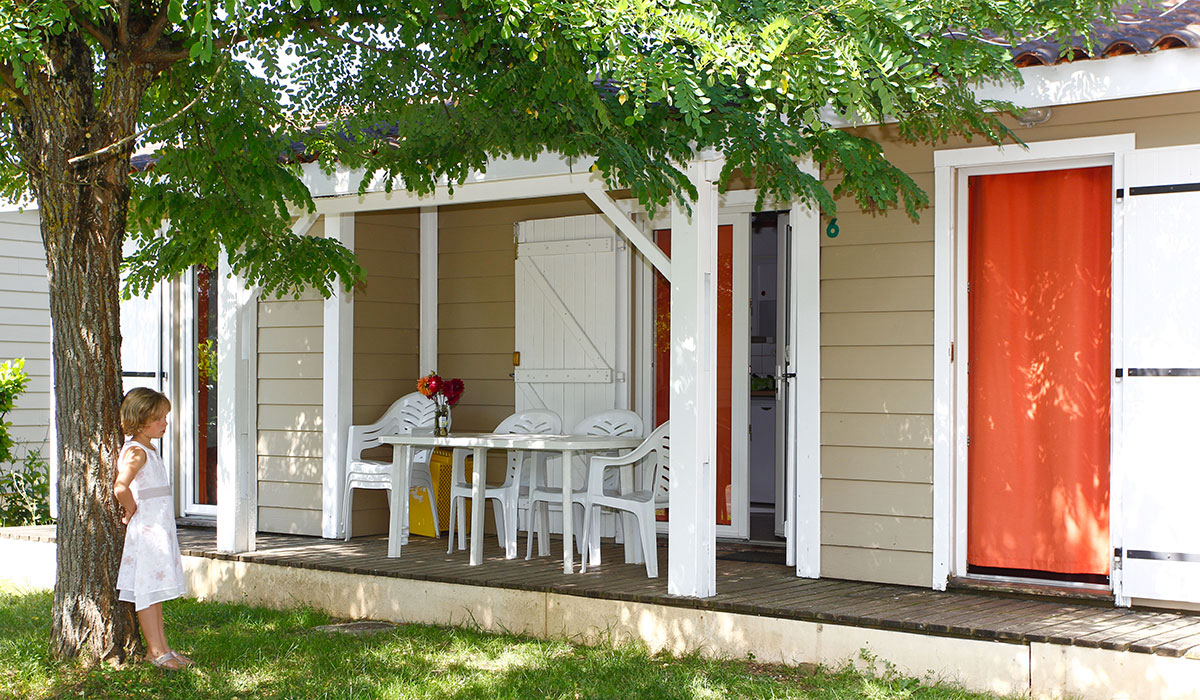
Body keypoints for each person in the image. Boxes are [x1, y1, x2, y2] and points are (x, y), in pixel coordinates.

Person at [113, 387, 193, 671]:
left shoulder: (148, 449)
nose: (165, 423)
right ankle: (155, 652)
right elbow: (121, 487)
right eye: (158, 418)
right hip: (147, 531)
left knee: (155, 591)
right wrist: (131, 509)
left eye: (164, 417)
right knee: (147, 590)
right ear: (139, 419)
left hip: (158, 530)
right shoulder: (136, 451)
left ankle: (164, 648)